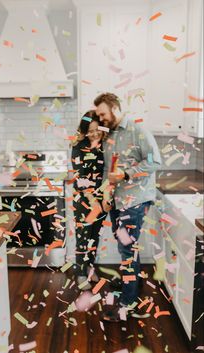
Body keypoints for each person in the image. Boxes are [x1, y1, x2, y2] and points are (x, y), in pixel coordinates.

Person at [94, 92, 161, 320]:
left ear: (114, 108)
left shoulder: (137, 131)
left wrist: (126, 174)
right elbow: (107, 170)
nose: (101, 118)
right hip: (116, 199)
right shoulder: (109, 134)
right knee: (127, 247)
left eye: (103, 113)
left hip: (134, 199)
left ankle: (128, 300)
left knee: (126, 249)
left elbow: (154, 161)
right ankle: (135, 284)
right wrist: (106, 195)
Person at [71, 110, 106, 290]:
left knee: (94, 237)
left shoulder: (105, 144)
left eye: (96, 129)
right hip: (85, 200)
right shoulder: (79, 146)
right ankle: (80, 273)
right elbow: (80, 176)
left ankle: (90, 268)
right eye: (89, 130)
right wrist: (92, 199)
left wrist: (103, 199)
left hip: (102, 200)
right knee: (83, 237)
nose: (93, 134)